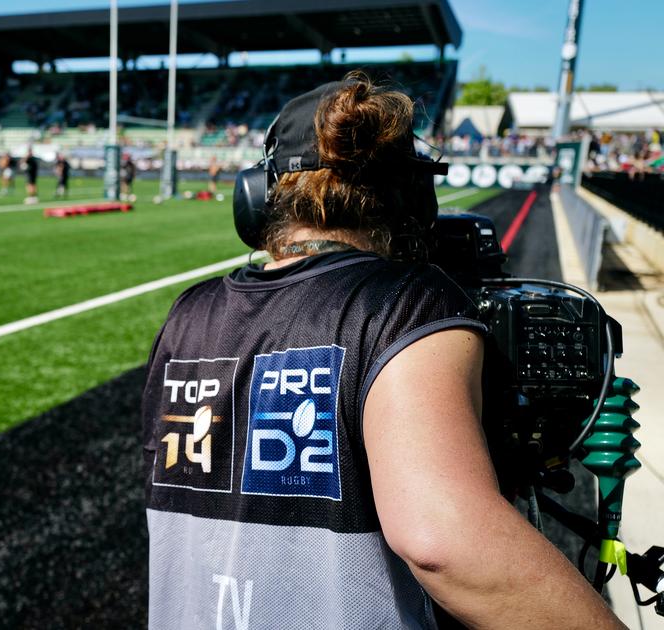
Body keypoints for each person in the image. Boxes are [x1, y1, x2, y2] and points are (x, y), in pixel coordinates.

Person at [141, 73, 621, 629]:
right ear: (415, 199)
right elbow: (443, 542)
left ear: (259, 198)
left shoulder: (187, 313)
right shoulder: (409, 305)